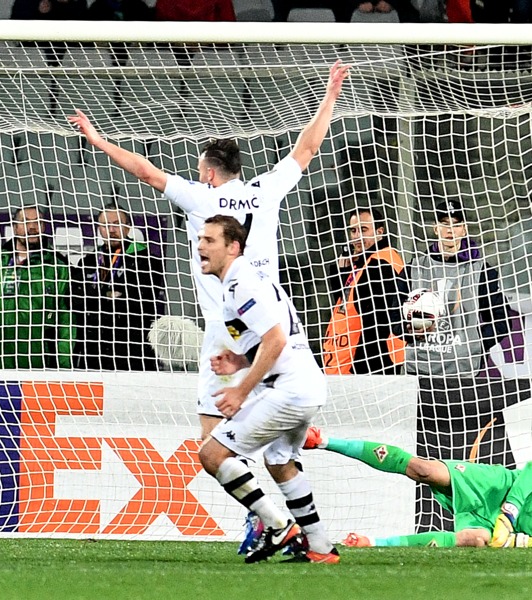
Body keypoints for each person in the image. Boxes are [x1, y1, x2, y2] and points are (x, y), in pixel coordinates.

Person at [69, 60, 350, 440]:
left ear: (209, 174)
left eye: (201, 170)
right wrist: (331, 94)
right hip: (272, 319)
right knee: (274, 437)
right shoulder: (264, 191)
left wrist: (97, 139)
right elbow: (308, 148)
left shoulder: (200, 198)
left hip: (227, 327)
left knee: (212, 438)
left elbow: (146, 171)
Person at [197, 215, 338, 563]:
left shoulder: (241, 284)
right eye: (200, 238)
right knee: (280, 462)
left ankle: (278, 526)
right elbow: (275, 338)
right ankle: (320, 548)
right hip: (303, 383)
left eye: (210, 240)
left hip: (290, 389)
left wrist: (241, 390)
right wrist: (239, 361)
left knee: (212, 455)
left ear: (233, 247)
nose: (200, 245)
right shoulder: (248, 279)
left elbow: (275, 338)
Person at [304, 426, 532, 548]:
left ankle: (371, 543)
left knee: (475, 539)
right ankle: (323, 440)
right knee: (425, 470)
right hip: (498, 486)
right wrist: (509, 513)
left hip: (499, 528)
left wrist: (514, 541)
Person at [0, 206, 75, 369]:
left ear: (44, 227)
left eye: (38, 222)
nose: (32, 227)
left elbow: (66, 322)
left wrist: (64, 367)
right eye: (25, 222)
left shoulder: (57, 268)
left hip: (35, 366)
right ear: (15, 227)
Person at [401, 200, 509, 377]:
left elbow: (502, 320)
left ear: (464, 229)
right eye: (444, 224)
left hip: (463, 371)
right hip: (418, 369)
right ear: (436, 229)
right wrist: (408, 330)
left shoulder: (481, 271)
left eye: (456, 224)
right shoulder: (415, 268)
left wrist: (474, 344)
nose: (450, 230)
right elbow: (390, 314)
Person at [72, 204, 165, 371]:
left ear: (128, 227)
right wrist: (110, 295)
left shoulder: (147, 261)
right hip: (94, 348)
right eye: (106, 225)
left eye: (117, 223)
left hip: (132, 348)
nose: (111, 229)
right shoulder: (88, 261)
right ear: (99, 229)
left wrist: (97, 297)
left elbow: (137, 301)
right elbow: (78, 301)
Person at [323, 207, 407, 375]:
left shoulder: (381, 263)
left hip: (365, 366)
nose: (357, 236)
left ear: (379, 231)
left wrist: (359, 370)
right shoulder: (363, 262)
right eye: (353, 230)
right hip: (347, 361)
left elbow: (373, 320)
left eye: (363, 229)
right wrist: (341, 273)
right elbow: (347, 305)